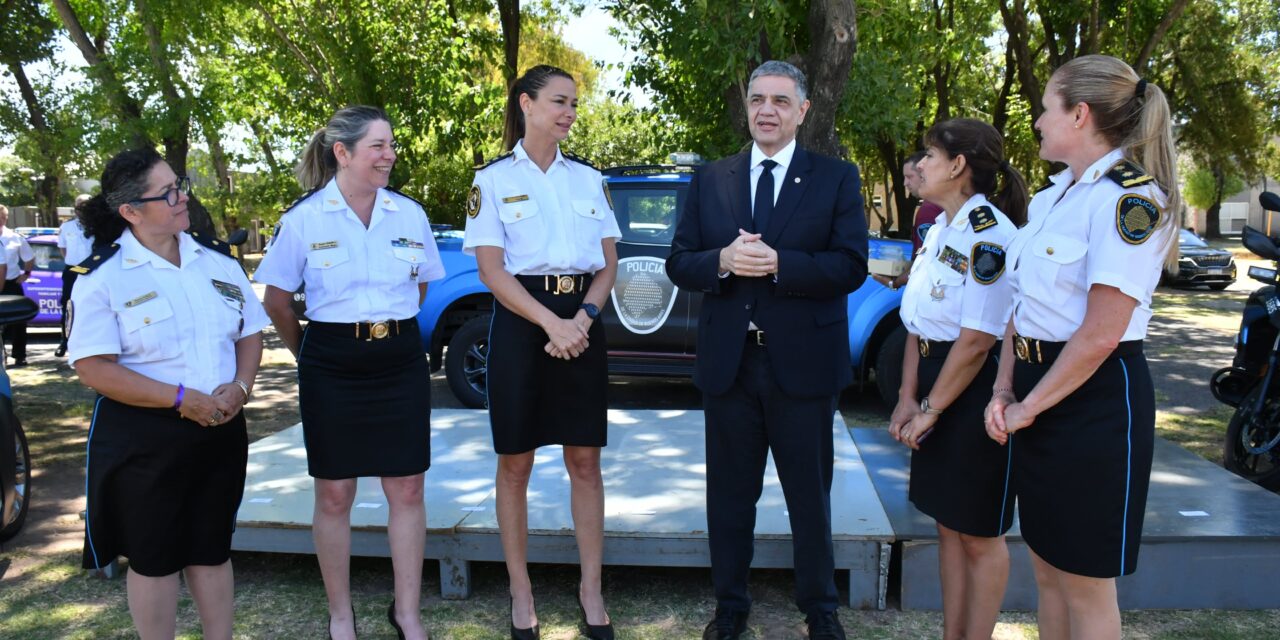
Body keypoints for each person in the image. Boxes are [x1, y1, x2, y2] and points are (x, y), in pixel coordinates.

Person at [666, 60, 867, 640]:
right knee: (730, 498)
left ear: (803, 110)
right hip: (730, 366)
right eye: (757, 99)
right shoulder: (712, 178)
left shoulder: (835, 177)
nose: (767, 110)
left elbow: (850, 266)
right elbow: (680, 261)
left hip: (803, 368)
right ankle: (730, 606)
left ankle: (820, 610)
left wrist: (783, 264)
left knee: (810, 499)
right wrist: (722, 261)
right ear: (746, 106)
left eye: (781, 100)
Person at [985, 55, 1180, 640]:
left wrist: (1027, 406)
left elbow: (1100, 333)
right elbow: (1022, 310)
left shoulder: (1128, 202)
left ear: (1079, 113)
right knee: (1047, 570)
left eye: (1046, 108)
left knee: (1086, 587)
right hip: (1039, 394)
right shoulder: (1053, 200)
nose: (1038, 121)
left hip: (1093, 405)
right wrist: (1003, 387)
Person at [255, 105, 443, 640]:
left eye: (391, 145)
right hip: (331, 361)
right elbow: (277, 302)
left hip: (399, 358)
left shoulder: (408, 214)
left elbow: (421, 285)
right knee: (335, 494)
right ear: (343, 152)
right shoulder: (304, 219)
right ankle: (341, 614)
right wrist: (311, 355)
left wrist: (389, 327)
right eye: (378, 147)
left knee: (407, 488)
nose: (390, 156)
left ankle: (407, 611)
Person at [69, 147, 267, 640]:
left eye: (179, 185)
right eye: (169, 192)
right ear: (131, 211)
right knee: (155, 558)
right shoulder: (103, 277)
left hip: (221, 425)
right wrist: (181, 399)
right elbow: (94, 368)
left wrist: (241, 387)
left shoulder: (217, 260)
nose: (183, 199)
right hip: (146, 436)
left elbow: (249, 333)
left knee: (212, 548)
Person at [464, 64, 620, 640]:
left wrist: (582, 318)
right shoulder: (494, 179)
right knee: (516, 462)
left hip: (581, 322)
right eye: (559, 101)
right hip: (522, 324)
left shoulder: (589, 179)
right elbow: (490, 269)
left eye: (574, 104)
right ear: (526, 104)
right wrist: (551, 323)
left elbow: (608, 265)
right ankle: (520, 590)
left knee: (584, 461)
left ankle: (590, 587)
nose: (570, 113)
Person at [888, 118, 1027, 640]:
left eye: (928, 155)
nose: (919, 165)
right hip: (933, 383)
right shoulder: (940, 227)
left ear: (958, 165)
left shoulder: (990, 234)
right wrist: (907, 397)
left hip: (971, 394)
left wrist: (932, 409)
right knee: (948, 526)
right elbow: (916, 325)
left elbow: (977, 341)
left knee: (978, 535)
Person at [871, 151, 943, 291]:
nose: (905, 183)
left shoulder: (928, 210)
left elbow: (923, 263)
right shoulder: (939, 206)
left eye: (910, 177)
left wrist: (894, 282)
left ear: (924, 175)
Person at [55, 194, 95, 357]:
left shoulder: (98, 225)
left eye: (86, 206)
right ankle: (65, 341)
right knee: (68, 306)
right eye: (79, 206)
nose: (82, 210)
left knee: (94, 304)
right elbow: (63, 249)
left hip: (93, 270)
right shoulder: (67, 227)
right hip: (73, 269)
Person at [0, 204, 34, 366]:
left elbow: (29, 257)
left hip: (11, 283)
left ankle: (19, 354)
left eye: (4, 217)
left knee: (19, 321)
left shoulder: (14, 237)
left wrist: (26, 274)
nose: (1, 220)